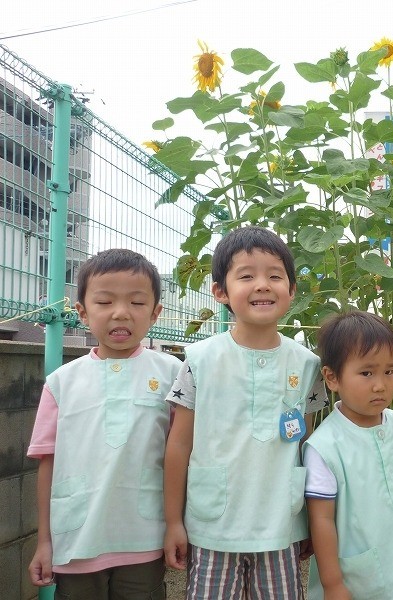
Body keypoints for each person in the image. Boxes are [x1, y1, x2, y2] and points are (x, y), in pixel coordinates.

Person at [163, 226, 321, 599]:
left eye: (275, 276)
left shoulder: (308, 364)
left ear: (292, 291)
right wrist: (173, 521)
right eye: (246, 275)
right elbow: (178, 446)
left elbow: (308, 447)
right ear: (221, 292)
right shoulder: (200, 359)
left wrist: (311, 521)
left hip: (280, 524)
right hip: (213, 525)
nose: (262, 285)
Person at [27, 248, 181, 599]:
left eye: (137, 303)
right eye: (105, 301)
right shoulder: (61, 383)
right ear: (81, 312)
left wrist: (176, 523)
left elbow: (182, 454)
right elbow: (47, 463)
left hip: (144, 536)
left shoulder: (173, 374)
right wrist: (44, 541)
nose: (121, 313)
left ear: (156, 313)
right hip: (77, 539)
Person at [303, 310, 393, 600]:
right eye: (366, 373)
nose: (381, 384)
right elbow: (321, 521)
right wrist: (332, 584)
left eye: (389, 371)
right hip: (356, 580)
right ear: (332, 377)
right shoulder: (324, 446)